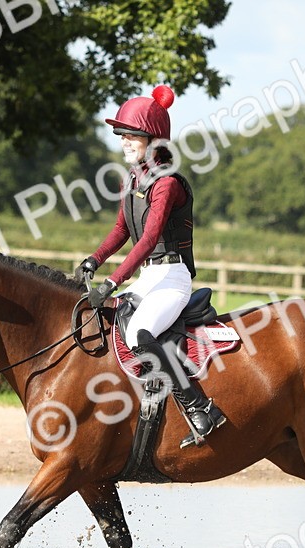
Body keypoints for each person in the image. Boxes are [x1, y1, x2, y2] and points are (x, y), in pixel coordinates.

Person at [78, 85, 226, 448]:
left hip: (172, 277)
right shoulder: (133, 179)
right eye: (122, 135)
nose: (124, 142)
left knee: (140, 334)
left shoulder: (168, 184)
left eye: (132, 135)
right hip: (149, 277)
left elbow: (147, 241)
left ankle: (200, 409)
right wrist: (93, 260)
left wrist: (112, 281)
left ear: (153, 139)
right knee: (112, 324)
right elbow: (122, 230)